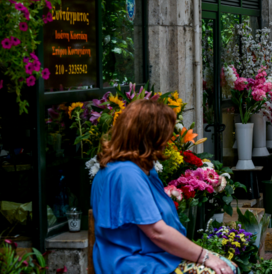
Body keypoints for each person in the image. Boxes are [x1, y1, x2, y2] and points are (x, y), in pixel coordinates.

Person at [91, 100, 237, 274]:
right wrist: (205, 256)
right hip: (134, 263)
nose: (169, 139)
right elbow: (157, 232)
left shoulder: (133, 168)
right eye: (166, 133)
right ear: (151, 136)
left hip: (149, 257)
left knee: (227, 266)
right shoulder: (127, 174)